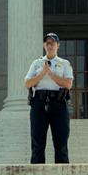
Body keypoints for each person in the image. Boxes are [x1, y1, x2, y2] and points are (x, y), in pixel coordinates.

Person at [24, 33, 74, 164]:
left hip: (58, 102)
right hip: (40, 103)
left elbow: (68, 84)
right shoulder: (37, 63)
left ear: (58, 45)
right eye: (47, 43)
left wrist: (50, 74)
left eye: (52, 43)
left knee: (61, 142)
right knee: (37, 141)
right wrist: (42, 74)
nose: (50, 45)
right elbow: (27, 84)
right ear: (43, 46)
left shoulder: (64, 63)